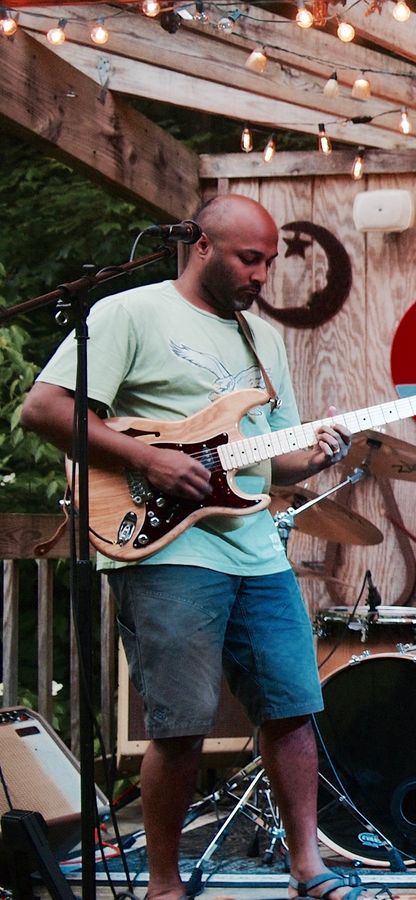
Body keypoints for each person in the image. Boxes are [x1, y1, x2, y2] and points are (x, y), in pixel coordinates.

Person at [19, 195, 367, 900]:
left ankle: (309, 868)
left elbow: (271, 459)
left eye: (268, 263)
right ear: (200, 246)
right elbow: (44, 408)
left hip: (257, 552)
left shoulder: (262, 341)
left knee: (293, 707)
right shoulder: (127, 312)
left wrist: (317, 453)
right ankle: (163, 885)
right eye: (249, 259)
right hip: (168, 547)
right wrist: (148, 459)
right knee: (179, 724)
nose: (261, 275)